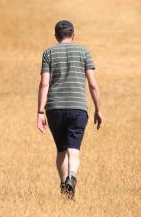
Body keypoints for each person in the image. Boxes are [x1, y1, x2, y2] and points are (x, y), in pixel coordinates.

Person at [37, 19, 103, 200]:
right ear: (73, 35)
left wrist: (40, 112)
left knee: (61, 149)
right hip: (78, 108)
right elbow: (93, 85)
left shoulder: (48, 53)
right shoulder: (84, 52)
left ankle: (65, 190)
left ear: (56, 36)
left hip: (55, 109)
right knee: (74, 148)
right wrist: (98, 109)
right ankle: (72, 177)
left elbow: (44, 83)